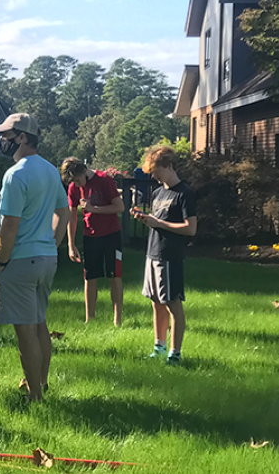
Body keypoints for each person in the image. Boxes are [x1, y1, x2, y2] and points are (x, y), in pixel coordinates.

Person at [0, 113, 71, 401]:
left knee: (25, 332)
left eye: (7, 135)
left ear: (22, 138)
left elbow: (9, 225)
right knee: (39, 324)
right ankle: (41, 382)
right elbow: (65, 212)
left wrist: (1, 261)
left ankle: (35, 395)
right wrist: (54, 241)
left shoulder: (16, 174)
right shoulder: (50, 170)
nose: (2, 140)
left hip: (21, 261)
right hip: (47, 259)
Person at [132, 145, 197, 366]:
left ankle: (174, 353)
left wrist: (158, 223)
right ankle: (158, 347)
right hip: (153, 253)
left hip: (170, 256)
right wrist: (145, 218)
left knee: (172, 303)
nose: (154, 176)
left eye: (156, 171)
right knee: (155, 302)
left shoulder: (184, 194)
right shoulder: (159, 193)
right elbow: (157, 222)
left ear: (169, 166)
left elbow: (190, 228)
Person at [61, 157, 125, 326]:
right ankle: (90, 319)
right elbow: (72, 216)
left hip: (111, 234)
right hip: (90, 236)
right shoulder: (73, 188)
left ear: (84, 171)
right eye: (73, 181)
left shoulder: (104, 180)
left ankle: (117, 321)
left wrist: (94, 209)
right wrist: (71, 244)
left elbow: (120, 207)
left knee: (114, 275)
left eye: (77, 179)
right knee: (90, 277)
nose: (77, 184)